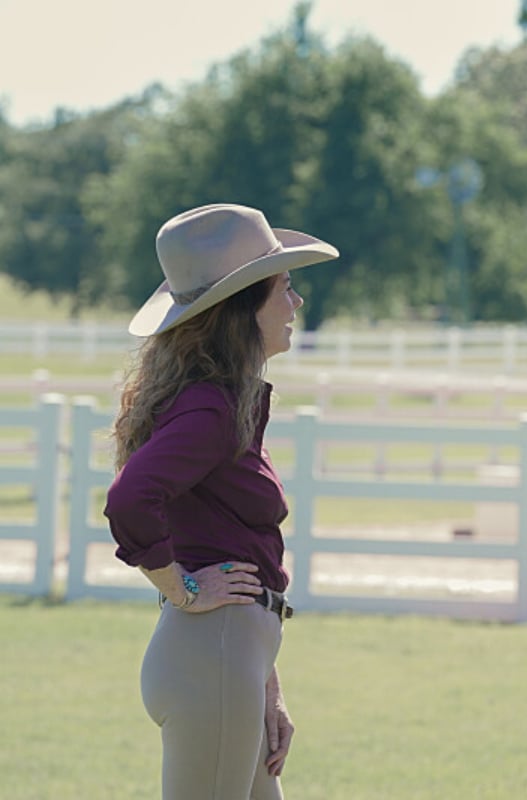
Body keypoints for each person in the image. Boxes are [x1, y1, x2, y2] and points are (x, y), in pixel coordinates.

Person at [104, 203, 338, 799]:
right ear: (243, 309)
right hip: (214, 658)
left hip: (230, 660)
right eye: (285, 287)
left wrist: (265, 685)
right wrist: (179, 588)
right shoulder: (210, 408)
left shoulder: (220, 403)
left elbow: (232, 550)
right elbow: (132, 497)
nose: (296, 303)